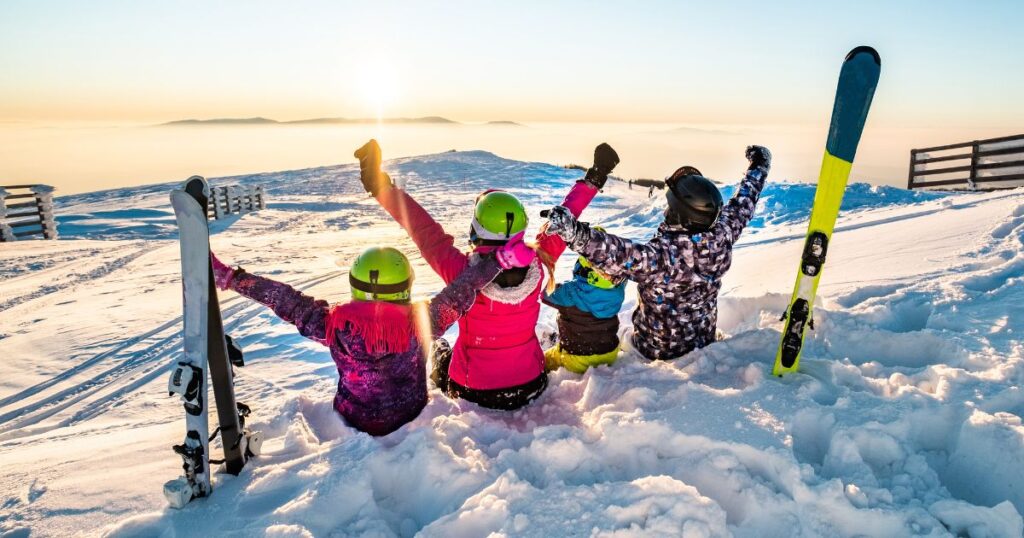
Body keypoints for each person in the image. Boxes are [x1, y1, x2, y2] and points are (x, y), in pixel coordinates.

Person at [354, 139, 619, 410]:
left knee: (441, 352)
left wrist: (380, 186)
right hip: (531, 383)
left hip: (474, 390)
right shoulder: (539, 262)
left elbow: (424, 231)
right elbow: (565, 218)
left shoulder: (462, 273)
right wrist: (595, 177)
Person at [208, 238, 536, 436]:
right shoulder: (422, 323)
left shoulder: (333, 325)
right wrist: (499, 261)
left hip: (355, 418)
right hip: (410, 412)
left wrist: (232, 279)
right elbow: (463, 290)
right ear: (406, 286)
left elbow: (284, 299)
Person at [543, 145, 772, 361]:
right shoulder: (722, 235)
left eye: (670, 207)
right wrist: (759, 166)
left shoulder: (663, 257)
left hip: (654, 350)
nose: (666, 211)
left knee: (619, 338)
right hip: (703, 340)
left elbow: (615, 253)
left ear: (680, 215)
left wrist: (573, 232)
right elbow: (744, 202)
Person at [542, 230, 627, 374]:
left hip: (577, 359)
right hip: (610, 353)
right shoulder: (618, 288)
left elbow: (544, 294)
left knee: (544, 360)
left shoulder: (570, 292)